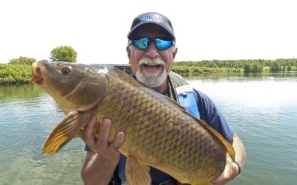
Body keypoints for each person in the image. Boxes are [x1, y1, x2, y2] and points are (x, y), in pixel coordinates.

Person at [80, 12, 246, 185]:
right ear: (129, 53)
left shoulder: (197, 101)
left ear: (173, 55)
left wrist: (233, 167)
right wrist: (107, 158)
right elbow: (91, 181)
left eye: (162, 42)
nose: (152, 52)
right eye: (141, 42)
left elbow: (233, 141)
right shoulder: (109, 103)